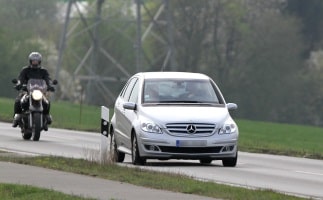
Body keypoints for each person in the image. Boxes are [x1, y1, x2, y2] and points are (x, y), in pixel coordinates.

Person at [12, 52, 54, 128]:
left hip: (40, 92)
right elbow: (20, 79)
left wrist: (50, 85)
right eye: (33, 60)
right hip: (27, 91)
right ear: (30, 61)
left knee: (47, 102)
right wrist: (19, 84)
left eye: (36, 60)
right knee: (18, 101)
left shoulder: (43, 71)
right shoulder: (25, 70)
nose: (35, 62)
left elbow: (48, 79)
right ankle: (16, 118)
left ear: (39, 61)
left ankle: (46, 116)